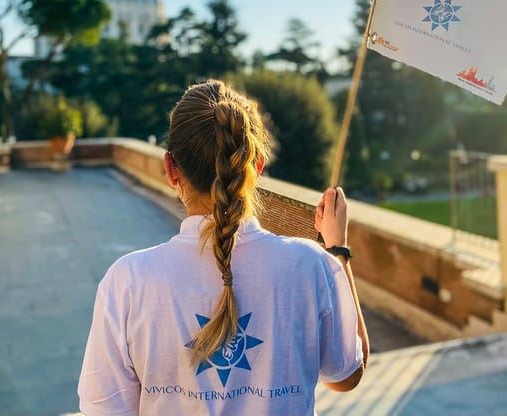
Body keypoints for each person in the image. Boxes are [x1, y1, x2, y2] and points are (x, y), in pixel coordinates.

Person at [77, 78, 370, 415]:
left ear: (171, 169)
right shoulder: (312, 265)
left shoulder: (127, 281)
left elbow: (105, 410)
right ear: (256, 167)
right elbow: (346, 376)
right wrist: (337, 254)